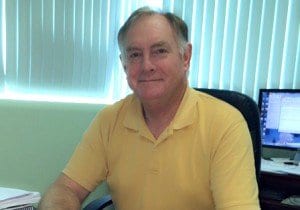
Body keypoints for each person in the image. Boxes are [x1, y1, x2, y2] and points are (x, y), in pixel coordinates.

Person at [38, 6, 260, 210]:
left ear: (186, 57)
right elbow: (64, 188)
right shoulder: (110, 119)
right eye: (134, 55)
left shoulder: (225, 123)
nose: (146, 66)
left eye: (159, 51)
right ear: (124, 64)